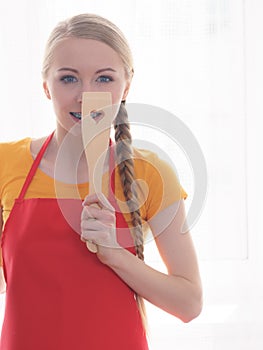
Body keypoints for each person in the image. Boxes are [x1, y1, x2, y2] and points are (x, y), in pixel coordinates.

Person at [0, 13, 202, 349]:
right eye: (69, 79)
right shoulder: (5, 163)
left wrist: (114, 253)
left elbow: (189, 304)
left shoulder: (149, 172)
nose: (85, 95)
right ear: (46, 86)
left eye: (104, 78)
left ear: (127, 86)